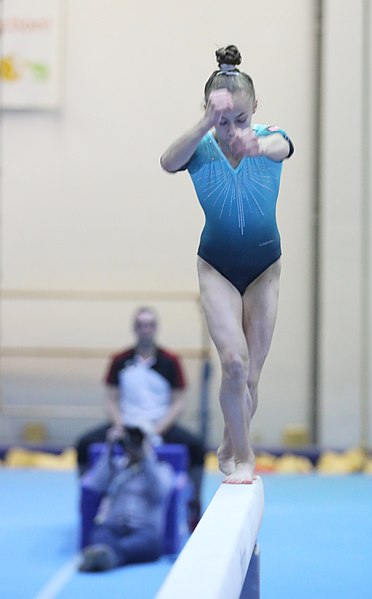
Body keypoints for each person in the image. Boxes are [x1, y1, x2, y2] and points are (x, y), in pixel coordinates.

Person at [160, 45, 293, 484]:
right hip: (216, 266)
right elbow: (167, 163)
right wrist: (204, 126)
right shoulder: (199, 145)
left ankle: (231, 439)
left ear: (255, 108)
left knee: (250, 378)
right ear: (207, 113)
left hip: (264, 269)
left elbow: (283, 146)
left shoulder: (267, 136)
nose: (232, 129)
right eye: (223, 120)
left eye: (241, 119)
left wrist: (256, 144)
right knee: (232, 364)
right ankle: (243, 454)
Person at [75, 306, 205, 529]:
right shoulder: (119, 360)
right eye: (141, 325)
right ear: (134, 329)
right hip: (127, 422)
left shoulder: (171, 361)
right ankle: (90, 502)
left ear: (156, 329)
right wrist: (119, 426)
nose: (145, 329)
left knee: (197, 447)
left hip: (158, 424)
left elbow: (178, 402)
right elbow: (111, 399)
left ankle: (194, 504)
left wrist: (157, 430)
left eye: (150, 325)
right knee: (83, 444)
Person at [79, 422, 175, 572]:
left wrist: (146, 456)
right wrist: (109, 448)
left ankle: (107, 556)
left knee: (147, 544)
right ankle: (106, 555)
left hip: (145, 531)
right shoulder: (116, 466)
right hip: (113, 527)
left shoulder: (162, 469)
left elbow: (159, 493)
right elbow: (95, 485)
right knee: (101, 534)